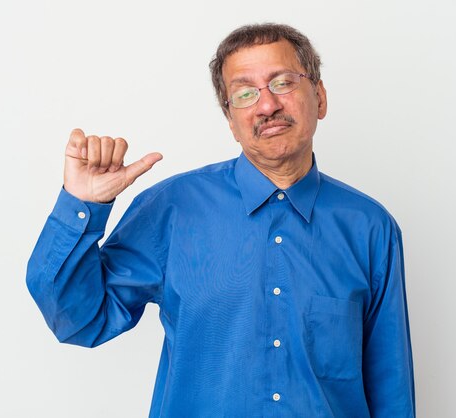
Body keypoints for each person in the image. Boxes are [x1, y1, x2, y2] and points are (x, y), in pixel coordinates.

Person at [27, 23, 415, 417]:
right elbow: (78, 321)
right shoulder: (172, 209)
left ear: (319, 97)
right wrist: (82, 204)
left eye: (282, 83)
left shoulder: (370, 227)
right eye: (245, 93)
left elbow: (390, 388)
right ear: (231, 120)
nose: (267, 105)